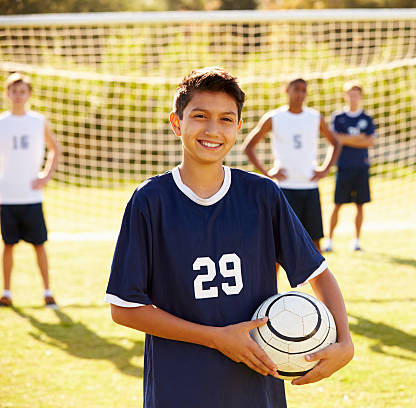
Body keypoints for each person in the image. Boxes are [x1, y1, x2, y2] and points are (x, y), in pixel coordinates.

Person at [105, 67, 353, 408]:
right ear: (177, 124)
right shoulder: (151, 200)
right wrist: (216, 338)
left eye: (225, 119)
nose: (212, 129)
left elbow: (317, 273)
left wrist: (345, 341)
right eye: (200, 116)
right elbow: (125, 308)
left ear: (238, 128)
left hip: (255, 386)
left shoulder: (262, 194)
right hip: (179, 386)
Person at [242, 78, 341, 252]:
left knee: (314, 244)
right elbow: (248, 147)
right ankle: (272, 280)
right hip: (285, 188)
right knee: (279, 245)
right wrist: (268, 172)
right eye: (296, 89)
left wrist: (325, 169)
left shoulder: (314, 117)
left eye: (304, 90)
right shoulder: (274, 117)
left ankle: (314, 280)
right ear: (287, 90)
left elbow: (336, 143)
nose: (300, 94)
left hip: (310, 186)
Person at [0, 73, 61, 308]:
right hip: (7, 196)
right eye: (14, 91)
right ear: (7, 94)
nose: (18, 95)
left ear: (29, 95)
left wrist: (45, 175)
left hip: (32, 196)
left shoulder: (37, 121)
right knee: (8, 245)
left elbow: (55, 149)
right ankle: (6, 292)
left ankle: (47, 292)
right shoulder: (2, 123)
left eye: (22, 91)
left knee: (39, 244)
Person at [323, 81, 376, 252]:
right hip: (344, 167)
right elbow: (336, 138)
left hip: (361, 167)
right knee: (337, 204)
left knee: (360, 205)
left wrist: (348, 139)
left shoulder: (366, 118)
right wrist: (358, 138)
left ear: (360, 97)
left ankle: (356, 241)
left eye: (356, 94)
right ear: (345, 96)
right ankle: (329, 240)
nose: (353, 97)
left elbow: (370, 141)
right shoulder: (338, 117)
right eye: (350, 94)